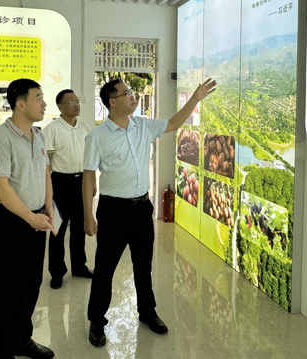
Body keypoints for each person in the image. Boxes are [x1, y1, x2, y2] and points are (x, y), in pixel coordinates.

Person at [83, 77, 216, 347]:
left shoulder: (142, 125)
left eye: (131, 92)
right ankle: (96, 320)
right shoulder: (97, 136)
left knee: (143, 266)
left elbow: (173, 123)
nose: (132, 96)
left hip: (142, 208)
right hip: (113, 210)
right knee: (105, 269)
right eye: (126, 93)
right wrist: (88, 215)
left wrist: (195, 98)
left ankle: (147, 312)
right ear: (112, 101)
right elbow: (88, 177)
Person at [0, 78, 56, 359]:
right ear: (20, 103)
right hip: (9, 223)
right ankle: (0, 352)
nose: (44, 103)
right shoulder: (1, 139)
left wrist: (48, 207)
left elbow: (46, 172)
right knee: (8, 290)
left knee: (31, 284)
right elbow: (1, 186)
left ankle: (21, 340)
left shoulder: (38, 135)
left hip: (36, 219)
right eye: (38, 98)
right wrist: (30, 217)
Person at [43, 89, 94, 290]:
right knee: (57, 230)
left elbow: (90, 159)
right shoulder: (52, 129)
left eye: (77, 101)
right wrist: (48, 191)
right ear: (60, 106)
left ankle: (79, 266)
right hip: (59, 183)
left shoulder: (84, 128)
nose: (76, 104)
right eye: (71, 101)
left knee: (79, 228)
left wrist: (92, 183)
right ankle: (57, 272)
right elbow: (46, 163)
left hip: (82, 182)